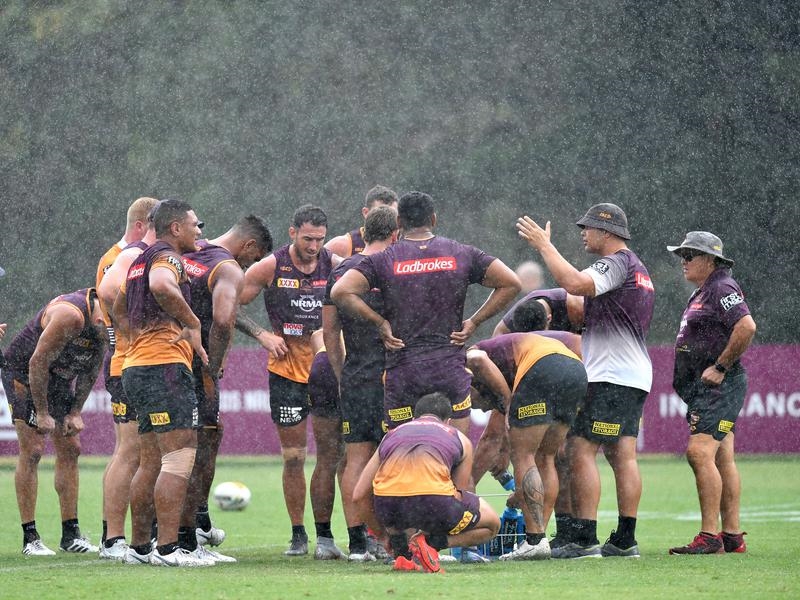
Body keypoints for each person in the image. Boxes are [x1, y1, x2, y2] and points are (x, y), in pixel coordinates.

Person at [516, 202, 654, 559]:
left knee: (580, 449)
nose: (583, 234)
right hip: (634, 373)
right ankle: (625, 538)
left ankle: (585, 538)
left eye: (588, 228)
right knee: (622, 455)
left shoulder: (617, 262)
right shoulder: (639, 268)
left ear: (607, 232)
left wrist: (544, 246)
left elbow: (575, 283)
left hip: (610, 373)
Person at [331, 191, 520, 435]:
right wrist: (474, 321)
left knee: (402, 451)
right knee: (457, 448)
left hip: (404, 371)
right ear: (433, 219)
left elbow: (340, 292)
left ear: (399, 222)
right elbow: (511, 283)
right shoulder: (460, 252)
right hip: (449, 368)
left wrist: (379, 322)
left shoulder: (385, 259)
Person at [112, 198, 211, 567]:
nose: (199, 230)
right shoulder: (168, 258)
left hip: (136, 368)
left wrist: (135, 339)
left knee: (150, 461)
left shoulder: (138, 260)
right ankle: (169, 549)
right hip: (164, 368)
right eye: (196, 224)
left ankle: (140, 548)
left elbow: (117, 306)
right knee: (179, 456)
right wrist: (192, 323)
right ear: (176, 228)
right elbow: (162, 286)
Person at [176, 215, 273, 563]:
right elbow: (222, 318)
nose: (248, 267)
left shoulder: (188, 251)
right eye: (253, 259)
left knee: (167, 450)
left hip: (164, 358)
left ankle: (159, 537)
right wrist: (212, 367)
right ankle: (186, 539)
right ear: (248, 246)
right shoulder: (227, 267)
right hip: (194, 366)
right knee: (200, 445)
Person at [238, 204, 333, 556]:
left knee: (331, 457)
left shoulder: (334, 264)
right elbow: (228, 303)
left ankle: (330, 536)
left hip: (326, 371)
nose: (314, 246)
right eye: (307, 238)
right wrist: (262, 334)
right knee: (294, 457)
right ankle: (298, 534)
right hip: (286, 371)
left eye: (319, 239)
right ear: (292, 232)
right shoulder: (271, 266)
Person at [665, 232, 756, 555]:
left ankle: (709, 537)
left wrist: (720, 366)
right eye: (682, 255)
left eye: (689, 255)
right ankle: (731, 536)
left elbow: (746, 326)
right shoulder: (706, 290)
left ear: (710, 260)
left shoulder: (721, 287)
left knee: (699, 453)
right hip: (707, 388)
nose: (684, 261)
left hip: (718, 386)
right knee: (722, 456)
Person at [1, 288, 106, 556]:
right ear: (100, 318)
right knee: (34, 450)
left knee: (71, 448)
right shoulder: (70, 315)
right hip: (24, 373)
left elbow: (92, 369)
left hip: (58, 379)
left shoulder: (109, 319)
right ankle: (30, 538)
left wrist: (76, 411)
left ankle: (70, 535)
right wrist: (42, 412)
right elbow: (37, 363)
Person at [466, 332, 587, 560]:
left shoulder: (467, 362)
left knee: (523, 455)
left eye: (474, 402)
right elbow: (495, 437)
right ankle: (538, 540)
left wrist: (508, 402)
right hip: (575, 370)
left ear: (473, 384)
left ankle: (534, 540)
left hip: (542, 367)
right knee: (545, 458)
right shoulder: (504, 369)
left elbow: (478, 359)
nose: (479, 409)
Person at [322, 205, 399, 561]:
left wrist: (343, 374)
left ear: (363, 234)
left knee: (356, 458)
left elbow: (329, 333)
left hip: (356, 374)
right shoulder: (395, 267)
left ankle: (357, 543)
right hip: (392, 376)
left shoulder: (340, 272)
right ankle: (392, 537)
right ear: (395, 235)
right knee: (394, 457)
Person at [353, 392, 500, 572]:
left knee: (403, 502)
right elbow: (458, 492)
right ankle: (430, 544)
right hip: (434, 502)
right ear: (448, 421)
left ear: (414, 418)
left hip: (388, 507)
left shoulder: (390, 435)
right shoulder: (459, 437)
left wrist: (383, 536)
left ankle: (402, 552)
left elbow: (359, 495)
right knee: (492, 524)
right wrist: (434, 528)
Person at [95, 196, 159, 559]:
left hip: (130, 360)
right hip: (126, 361)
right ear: (144, 225)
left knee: (134, 452)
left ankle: (118, 535)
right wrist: (131, 332)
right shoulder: (123, 256)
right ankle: (113, 539)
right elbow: (108, 297)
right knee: (130, 452)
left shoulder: (131, 254)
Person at [324, 185, 399, 258]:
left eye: (393, 214)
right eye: (381, 213)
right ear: (366, 212)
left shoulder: (402, 244)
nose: (388, 219)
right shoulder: (345, 244)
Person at [493, 287, 584, 336]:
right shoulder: (517, 316)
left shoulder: (575, 306)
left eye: (541, 335)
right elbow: (498, 334)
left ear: (549, 319)